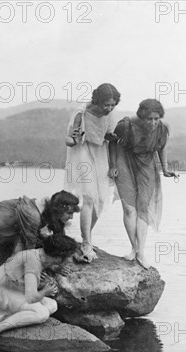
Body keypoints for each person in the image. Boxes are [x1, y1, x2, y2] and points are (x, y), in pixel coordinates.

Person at [109, 99, 178, 269]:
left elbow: (161, 148)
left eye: (156, 118)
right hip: (124, 160)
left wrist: (165, 169)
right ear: (141, 116)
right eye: (149, 119)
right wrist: (113, 166)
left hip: (147, 163)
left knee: (143, 207)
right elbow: (111, 143)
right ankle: (136, 249)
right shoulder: (126, 125)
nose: (153, 122)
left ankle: (140, 251)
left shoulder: (162, 128)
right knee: (129, 208)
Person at [0, 233, 79, 343]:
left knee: (52, 305)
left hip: (10, 289)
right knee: (42, 314)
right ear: (58, 257)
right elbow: (32, 297)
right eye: (69, 257)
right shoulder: (33, 262)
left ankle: (5, 316)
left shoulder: (38, 255)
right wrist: (45, 291)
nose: (70, 260)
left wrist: (55, 268)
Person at [64, 83, 121, 263]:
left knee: (102, 199)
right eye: (106, 105)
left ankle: (85, 238)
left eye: (113, 105)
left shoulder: (111, 115)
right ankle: (87, 243)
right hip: (82, 152)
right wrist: (74, 138)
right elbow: (69, 139)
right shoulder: (81, 112)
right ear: (97, 100)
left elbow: (112, 141)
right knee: (89, 197)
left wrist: (112, 166)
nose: (109, 108)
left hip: (101, 154)